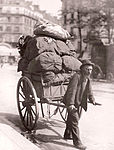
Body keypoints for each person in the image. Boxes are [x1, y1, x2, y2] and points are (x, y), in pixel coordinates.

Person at [63, 59, 96, 149]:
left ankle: (67, 134)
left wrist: (92, 99)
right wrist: (70, 104)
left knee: (71, 118)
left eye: (90, 70)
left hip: (78, 102)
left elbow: (89, 91)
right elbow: (71, 91)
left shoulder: (87, 79)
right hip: (72, 101)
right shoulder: (76, 77)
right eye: (87, 69)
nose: (89, 71)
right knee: (75, 121)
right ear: (82, 69)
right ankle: (77, 142)